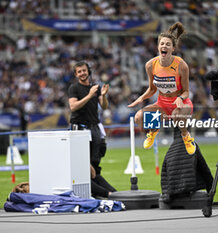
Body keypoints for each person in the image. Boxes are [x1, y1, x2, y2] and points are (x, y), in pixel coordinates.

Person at [128, 22, 196, 155]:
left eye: (168, 44)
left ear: (173, 49)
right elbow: (152, 89)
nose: (164, 46)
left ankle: (186, 136)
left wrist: (180, 98)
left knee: (177, 116)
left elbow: (186, 91)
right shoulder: (150, 65)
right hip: (162, 104)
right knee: (138, 117)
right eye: (162, 44)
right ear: (158, 46)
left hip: (181, 104)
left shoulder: (181, 65)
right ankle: (153, 131)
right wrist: (140, 98)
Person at [68, 61, 116, 198]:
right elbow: (73, 107)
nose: (82, 73)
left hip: (94, 128)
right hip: (80, 129)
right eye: (79, 72)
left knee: (95, 164)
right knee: (84, 166)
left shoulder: (96, 87)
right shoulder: (74, 88)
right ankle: (102, 192)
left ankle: (100, 191)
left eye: (84, 70)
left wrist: (104, 95)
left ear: (88, 71)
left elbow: (104, 106)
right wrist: (89, 95)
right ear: (76, 75)